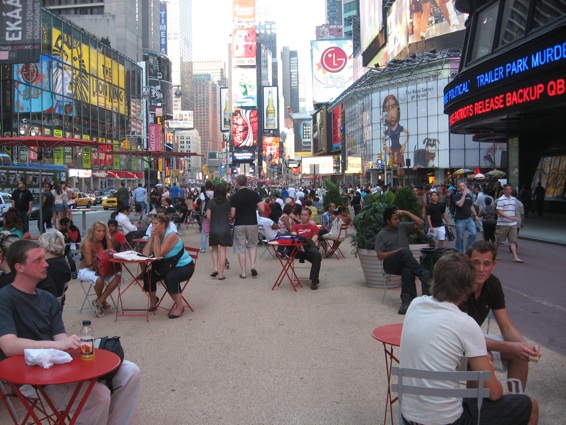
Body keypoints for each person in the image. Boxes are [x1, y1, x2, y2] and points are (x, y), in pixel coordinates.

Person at [0, 239, 141, 424]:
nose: (45, 264)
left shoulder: (48, 298)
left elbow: (61, 339)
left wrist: (73, 344)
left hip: (57, 367)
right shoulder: (5, 298)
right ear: (19, 267)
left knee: (130, 371)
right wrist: (58, 345)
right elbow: (9, 346)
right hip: (29, 377)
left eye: (44, 258)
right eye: (38, 260)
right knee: (99, 396)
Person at [400, 251, 538, 425]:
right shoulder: (465, 323)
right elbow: (494, 393)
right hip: (447, 421)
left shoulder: (415, 305)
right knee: (530, 405)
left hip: (409, 417)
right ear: (467, 288)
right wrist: (491, 371)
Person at [461, 240, 541, 391]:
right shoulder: (459, 286)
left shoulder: (493, 284)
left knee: (521, 354)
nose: (481, 269)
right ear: (467, 262)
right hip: (457, 343)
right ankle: (473, 407)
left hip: (473, 339)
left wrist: (525, 347)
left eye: (486, 264)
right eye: (476, 263)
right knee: (485, 357)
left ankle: (515, 403)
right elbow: (465, 337)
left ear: (493, 265)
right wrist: (512, 346)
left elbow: (506, 326)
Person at [375, 206, 431, 315]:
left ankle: (406, 302)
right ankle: (423, 274)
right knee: (404, 251)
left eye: (398, 219)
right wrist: (396, 252)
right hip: (391, 264)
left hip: (405, 263)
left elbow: (421, 223)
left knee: (408, 270)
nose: (398, 221)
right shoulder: (381, 235)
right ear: (388, 221)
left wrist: (406, 212)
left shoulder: (403, 227)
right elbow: (380, 256)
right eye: (395, 219)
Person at [142, 214, 194, 318]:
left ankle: (180, 307)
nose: (153, 226)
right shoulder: (156, 235)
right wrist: (152, 237)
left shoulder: (171, 236)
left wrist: (156, 237)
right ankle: (153, 301)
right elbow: (145, 254)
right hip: (166, 265)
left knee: (170, 277)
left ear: (163, 224)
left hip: (184, 266)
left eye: (155, 223)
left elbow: (158, 254)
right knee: (148, 276)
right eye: (152, 223)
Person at [78, 221, 121, 318]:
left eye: (103, 231)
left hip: (102, 267)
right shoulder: (87, 244)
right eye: (98, 231)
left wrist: (106, 251)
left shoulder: (106, 240)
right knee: (99, 279)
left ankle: (99, 301)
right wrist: (104, 253)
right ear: (92, 231)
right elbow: (90, 266)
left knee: (117, 276)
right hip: (86, 269)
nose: (101, 233)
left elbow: (112, 254)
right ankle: (102, 301)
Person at [230, 174, 263, 279]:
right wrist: (255, 209)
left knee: (241, 248)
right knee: (252, 245)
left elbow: (233, 214)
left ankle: (244, 272)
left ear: (237, 183)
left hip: (239, 223)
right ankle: (253, 266)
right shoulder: (254, 194)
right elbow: (262, 208)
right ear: (247, 182)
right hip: (252, 222)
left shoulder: (234, 197)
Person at [37, 229, 72, 310]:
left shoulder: (47, 267)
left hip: (45, 307)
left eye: (40, 246)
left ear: (45, 248)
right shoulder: (62, 262)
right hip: (58, 304)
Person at [291, 208, 322, 290]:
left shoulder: (314, 227)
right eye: (302, 214)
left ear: (309, 216)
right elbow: (294, 237)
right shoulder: (295, 226)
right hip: (297, 248)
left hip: (308, 247)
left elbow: (313, 241)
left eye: (305, 215)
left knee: (317, 254)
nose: (303, 216)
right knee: (292, 239)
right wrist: (299, 244)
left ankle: (314, 281)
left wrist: (305, 240)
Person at [206, 183, 232, 280]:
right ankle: (221, 274)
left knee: (214, 250)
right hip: (225, 228)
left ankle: (215, 269)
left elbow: (208, 217)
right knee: (223, 252)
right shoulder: (228, 202)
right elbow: (230, 214)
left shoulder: (211, 202)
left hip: (214, 228)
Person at [495, 184, 523, 263]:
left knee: (513, 241)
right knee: (499, 241)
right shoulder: (501, 200)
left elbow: (514, 210)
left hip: (512, 223)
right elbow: (499, 211)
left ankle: (515, 257)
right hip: (503, 223)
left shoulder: (514, 199)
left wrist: (514, 218)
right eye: (507, 189)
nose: (508, 191)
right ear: (504, 190)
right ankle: (493, 253)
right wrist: (509, 217)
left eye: (510, 189)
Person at [382, 94, 409, 167]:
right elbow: (383, 139)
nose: (391, 115)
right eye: (387, 110)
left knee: (401, 166)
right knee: (392, 165)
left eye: (393, 107)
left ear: (398, 109)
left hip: (399, 150)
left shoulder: (399, 127)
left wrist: (404, 144)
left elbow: (408, 134)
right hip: (392, 150)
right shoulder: (388, 130)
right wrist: (385, 146)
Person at [453, 181, 479, 253]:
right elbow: (460, 205)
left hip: (469, 218)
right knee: (460, 237)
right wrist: (464, 195)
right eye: (462, 185)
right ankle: (460, 252)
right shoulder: (456, 196)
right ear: (458, 188)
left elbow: (471, 206)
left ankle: (468, 249)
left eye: (464, 185)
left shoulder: (469, 196)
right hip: (460, 219)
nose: (464, 186)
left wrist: (475, 215)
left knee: (473, 233)